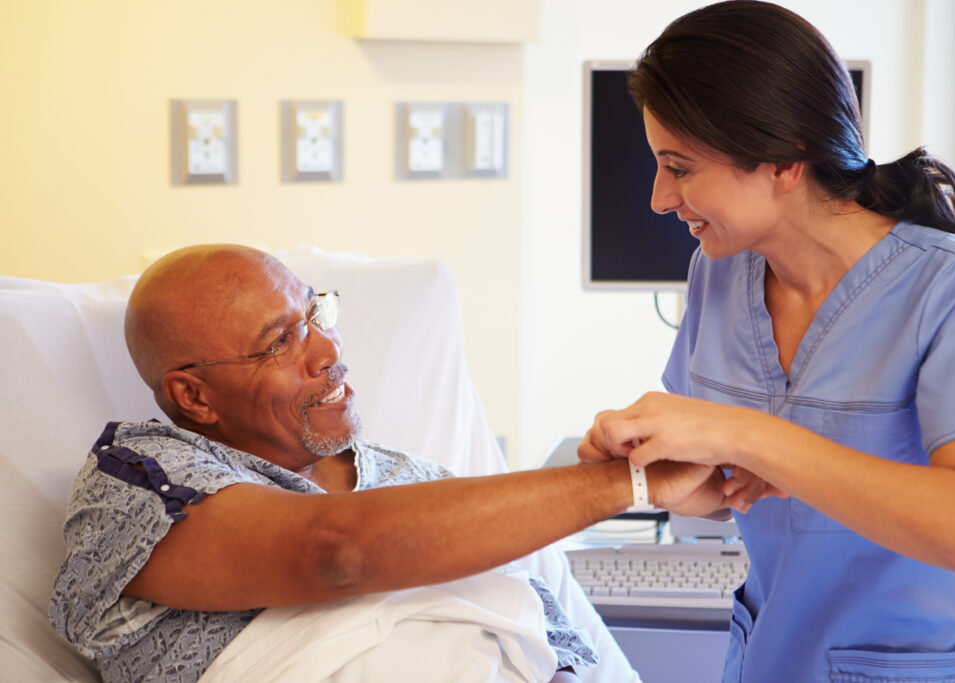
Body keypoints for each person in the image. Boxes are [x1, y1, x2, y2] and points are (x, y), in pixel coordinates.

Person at [579, 2, 955, 681]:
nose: (660, 199)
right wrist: (667, 478)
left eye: (680, 167)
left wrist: (748, 435)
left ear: (784, 161)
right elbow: (726, 472)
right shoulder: (718, 274)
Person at [48, 243, 730, 683]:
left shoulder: (422, 486)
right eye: (281, 341)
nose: (327, 352)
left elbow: (550, 645)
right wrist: (626, 481)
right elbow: (333, 551)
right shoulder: (136, 478)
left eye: (315, 312)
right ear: (192, 396)